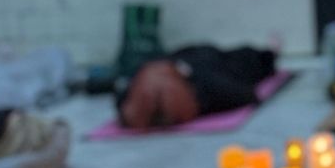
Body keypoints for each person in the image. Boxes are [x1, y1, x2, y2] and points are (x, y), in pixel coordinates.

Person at [115, 45, 277, 130]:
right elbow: (247, 95)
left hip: (188, 64)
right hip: (194, 69)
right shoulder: (210, 85)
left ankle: (268, 54)